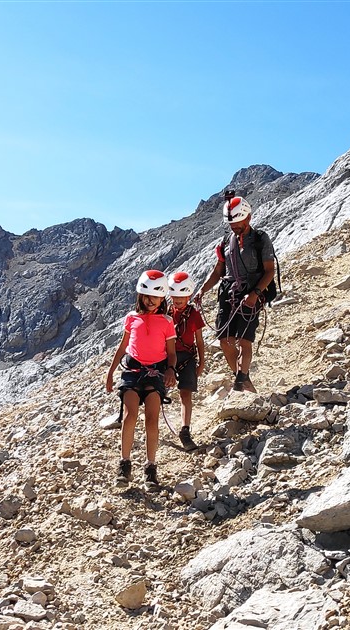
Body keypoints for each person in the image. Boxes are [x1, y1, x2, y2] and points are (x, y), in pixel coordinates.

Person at [197, 193, 275, 393]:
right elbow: (218, 272)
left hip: (251, 292)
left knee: (244, 339)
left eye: (239, 223)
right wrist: (203, 290)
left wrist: (256, 294)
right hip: (229, 294)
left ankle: (241, 381)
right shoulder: (225, 243)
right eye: (232, 224)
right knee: (225, 341)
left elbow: (269, 271)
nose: (235, 227)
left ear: (248, 217)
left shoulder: (260, 239)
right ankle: (242, 378)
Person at [105, 270, 177, 487]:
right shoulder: (131, 318)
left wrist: (171, 370)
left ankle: (150, 467)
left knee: (152, 419)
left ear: (162, 297)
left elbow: (171, 352)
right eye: (146, 296)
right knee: (130, 416)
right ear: (140, 296)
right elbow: (123, 346)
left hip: (155, 373)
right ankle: (124, 464)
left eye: (154, 297)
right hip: (133, 371)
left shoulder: (167, 321)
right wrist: (110, 373)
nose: (149, 300)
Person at [167, 272, 206, 451]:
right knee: (156, 390)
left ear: (188, 296)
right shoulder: (167, 312)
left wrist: (201, 362)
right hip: (169, 355)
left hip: (188, 357)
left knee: (185, 394)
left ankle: (185, 429)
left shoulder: (194, 315)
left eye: (180, 298)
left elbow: (199, 340)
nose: (177, 301)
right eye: (175, 298)